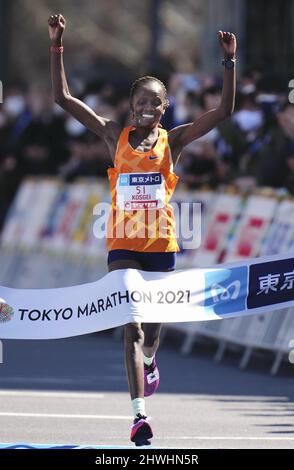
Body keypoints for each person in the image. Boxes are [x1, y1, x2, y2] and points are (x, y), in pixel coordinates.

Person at [48, 13, 237, 446]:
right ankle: (138, 416)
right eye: (141, 104)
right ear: (131, 108)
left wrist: (229, 63)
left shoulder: (177, 140)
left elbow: (224, 111)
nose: (147, 109)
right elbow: (63, 99)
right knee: (130, 324)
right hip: (122, 245)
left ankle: (151, 359)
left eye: (155, 104)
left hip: (161, 245)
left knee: (151, 329)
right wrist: (57, 45)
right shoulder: (113, 135)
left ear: (165, 108)